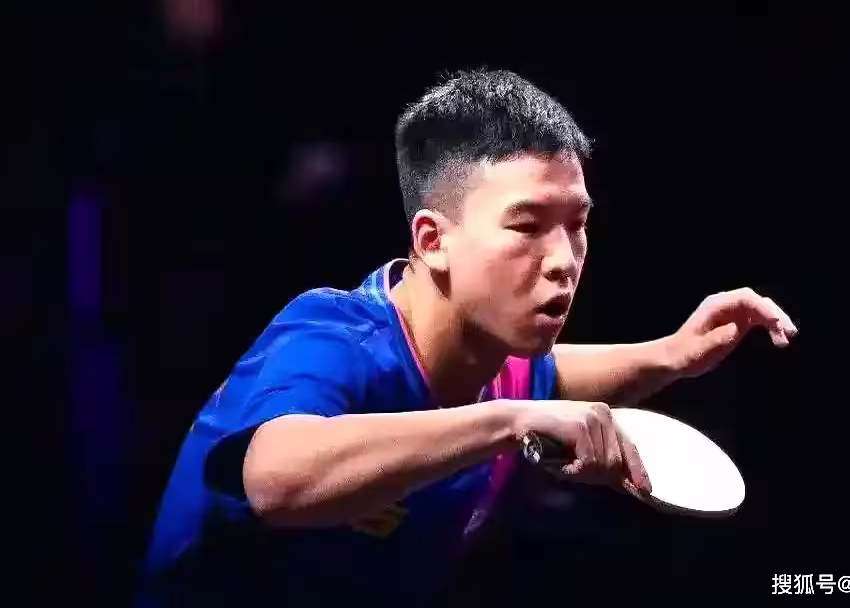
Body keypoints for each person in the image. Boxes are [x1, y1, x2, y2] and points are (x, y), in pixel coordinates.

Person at [136, 69, 798, 607]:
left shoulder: (502, 363)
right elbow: (274, 479)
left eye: (576, 224)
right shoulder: (332, 339)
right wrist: (510, 422)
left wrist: (670, 355)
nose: (564, 259)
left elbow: (556, 380)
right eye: (527, 225)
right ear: (433, 241)